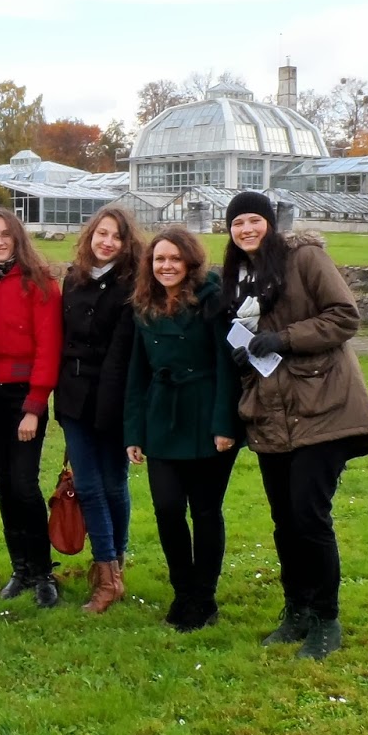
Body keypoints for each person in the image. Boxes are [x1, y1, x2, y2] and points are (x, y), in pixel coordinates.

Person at [221, 191, 368, 660]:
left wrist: (284, 339)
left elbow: (344, 316)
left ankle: (326, 619)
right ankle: (297, 610)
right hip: (271, 413)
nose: (246, 229)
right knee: (285, 521)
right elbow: (248, 335)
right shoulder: (237, 277)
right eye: (237, 223)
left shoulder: (304, 258)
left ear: (270, 223)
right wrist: (244, 355)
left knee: (310, 516)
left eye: (254, 220)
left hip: (322, 404)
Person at [124, 227, 239, 632]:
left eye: (175, 258)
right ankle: (182, 590)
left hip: (207, 415)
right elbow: (137, 372)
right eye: (159, 259)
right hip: (163, 417)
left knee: (205, 511)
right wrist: (134, 432)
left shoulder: (212, 301)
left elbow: (227, 365)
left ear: (190, 262)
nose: (167, 266)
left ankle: (204, 598)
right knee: (168, 508)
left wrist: (224, 424)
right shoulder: (144, 305)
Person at [0, 207, 64, 608]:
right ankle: (19, 569)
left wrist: (35, 407)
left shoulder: (40, 283)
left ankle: (43, 572)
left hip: (25, 395)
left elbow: (48, 347)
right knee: (4, 484)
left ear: (17, 237)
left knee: (24, 484)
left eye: (5, 234)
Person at [54, 204, 143, 614]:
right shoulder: (73, 279)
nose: (107, 242)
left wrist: (115, 410)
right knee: (89, 486)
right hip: (74, 398)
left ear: (126, 243)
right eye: (101, 233)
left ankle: (114, 563)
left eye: (116, 236)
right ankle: (107, 577)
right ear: (90, 235)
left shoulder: (133, 285)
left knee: (113, 485)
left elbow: (123, 353)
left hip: (113, 398)